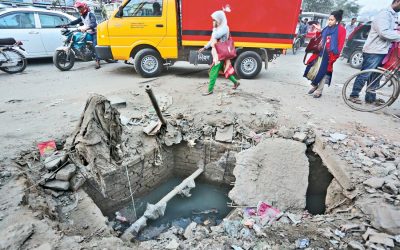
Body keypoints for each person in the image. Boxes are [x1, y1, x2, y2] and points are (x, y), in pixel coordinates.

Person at [349, 0, 400, 105]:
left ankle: (370, 98)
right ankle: (354, 95)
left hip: (382, 50)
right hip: (374, 50)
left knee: (375, 76)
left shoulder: (392, 15)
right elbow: (384, 33)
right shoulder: (384, 14)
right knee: (365, 74)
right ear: (397, 1)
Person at [304, 10, 346, 98]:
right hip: (320, 52)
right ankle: (315, 85)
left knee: (322, 72)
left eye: (332, 20)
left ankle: (318, 90)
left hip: (330, 55)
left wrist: (335, 56)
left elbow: (340, 45)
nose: (329, 21)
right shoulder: (326, 28)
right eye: (329, 19)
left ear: (337, 21)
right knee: (311, 68)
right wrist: (319, 31)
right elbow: (320, 38)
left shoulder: (341, 30)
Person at [198, 10, 240, 96]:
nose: (213, 22)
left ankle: (210, 90)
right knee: (225, 70)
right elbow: (212, 40)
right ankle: (236, 82)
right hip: (218, 53)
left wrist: (214, 28)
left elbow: (215, 36)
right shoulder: (219, 28)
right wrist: (205, 47)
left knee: (213, 71)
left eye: (215, 20)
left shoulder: (224, 27)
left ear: (220, 19)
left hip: (221, 54)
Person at [69, 1, 101, 69]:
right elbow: (75, 21)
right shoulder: (82, 16)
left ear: (84, 7)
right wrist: (67, 24)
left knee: (95, 45)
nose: (79, 9)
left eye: (80, 8)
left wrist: (86, 28)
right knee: (80, 38)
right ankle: (85, 52)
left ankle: (97, 61)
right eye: (78, 8)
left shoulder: (90, 14)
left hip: (95, 32)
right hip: (88, 32)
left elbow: (93, 24)